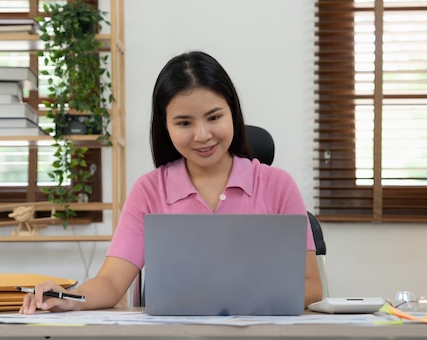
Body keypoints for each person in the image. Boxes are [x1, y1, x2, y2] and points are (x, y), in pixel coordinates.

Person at [19, 51, 322, 314]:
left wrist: (232, 297)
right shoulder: (150, 190)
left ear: (233, 113)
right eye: (184, 123)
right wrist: (68, 298)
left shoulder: (277, 184)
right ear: (165, 126)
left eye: (214, 117)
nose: (202, 135)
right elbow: (111, 282)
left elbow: (310, 286)